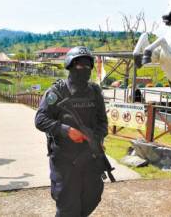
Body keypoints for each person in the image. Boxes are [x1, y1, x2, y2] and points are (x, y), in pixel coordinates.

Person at [35, 46, 108, 217]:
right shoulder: (56, 92)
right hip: (64, 160)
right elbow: (40, 120)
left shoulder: (95, 92)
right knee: (68, 205)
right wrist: (65, 130)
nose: (84, 69)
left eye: (88, 66)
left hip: (90, 157)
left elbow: (102, 122)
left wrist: (96, 139)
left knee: (92, 197)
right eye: (79, 65)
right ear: (69, 66)